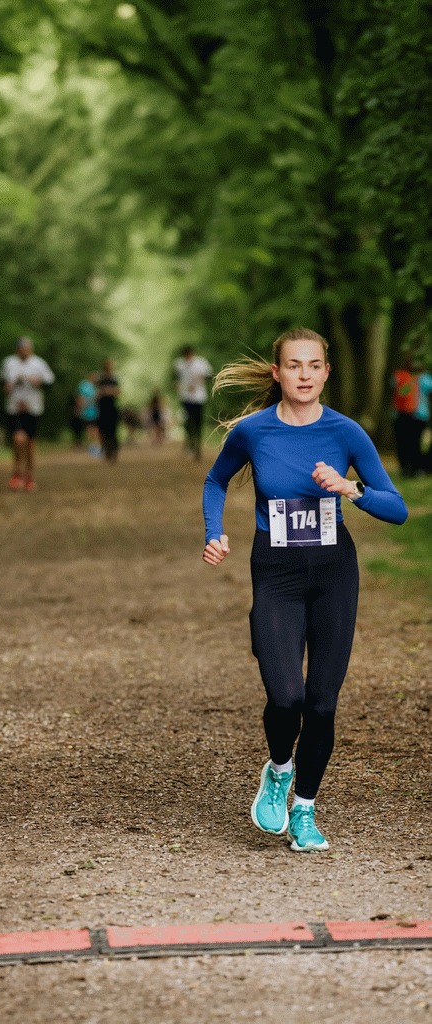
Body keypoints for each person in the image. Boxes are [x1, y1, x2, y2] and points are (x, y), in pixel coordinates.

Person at [202, 328, 407, 852]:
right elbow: (215, 480)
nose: (304, 375)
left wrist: (350, 489)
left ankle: (306, 809)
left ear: (326, 372)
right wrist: (214, 532)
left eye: (314, 365)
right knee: (286, 696)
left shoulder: (346, 432)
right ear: (277, 373)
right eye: (294, 365)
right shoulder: (253, 431)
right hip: (277, 573)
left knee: (321, 704)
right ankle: (278, 769)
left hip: (334, 573)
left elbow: (398, 508)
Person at [0, 336, 55, 491]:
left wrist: (38, 381)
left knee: (30, 444)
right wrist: (7, 386)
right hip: (14, 408)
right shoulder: (9, 362)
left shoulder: (39, 363)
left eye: (26, 348)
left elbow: (50, 381)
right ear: (17, 349)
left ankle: (29, 476)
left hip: (33, 408)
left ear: (31, 349)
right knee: (18, 439)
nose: (23, 351)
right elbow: (1, 381)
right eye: (21, 348)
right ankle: (16, 473)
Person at [173, 345, 213, 460]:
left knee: (198, 422)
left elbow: (208, 375)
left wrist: (199, 381)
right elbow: (176, 378)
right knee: (188, 421)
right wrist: (179, 386)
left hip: (199, 397)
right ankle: (190, 442)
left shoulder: (201, 363)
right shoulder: (179, 364)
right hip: (185, 397)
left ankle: (197, 447)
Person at [96, 358, 121, 461]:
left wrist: (109, 391)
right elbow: (96, 392)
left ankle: (113, 449)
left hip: (111, 406)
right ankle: (106, 448)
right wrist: (103, 392)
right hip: (102, 407)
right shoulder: (100, 378)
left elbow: (118, 392)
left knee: (113, 429)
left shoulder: (114, 378)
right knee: (103, 429)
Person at [78, 373, 102, 456]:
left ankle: (94, 445)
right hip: (88, 411)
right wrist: (81, 407)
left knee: (94, 428)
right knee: (91, 428)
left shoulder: (95, 386)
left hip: (94, 410)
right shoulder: (84, 385)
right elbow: (80, 397)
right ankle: (93, 446)